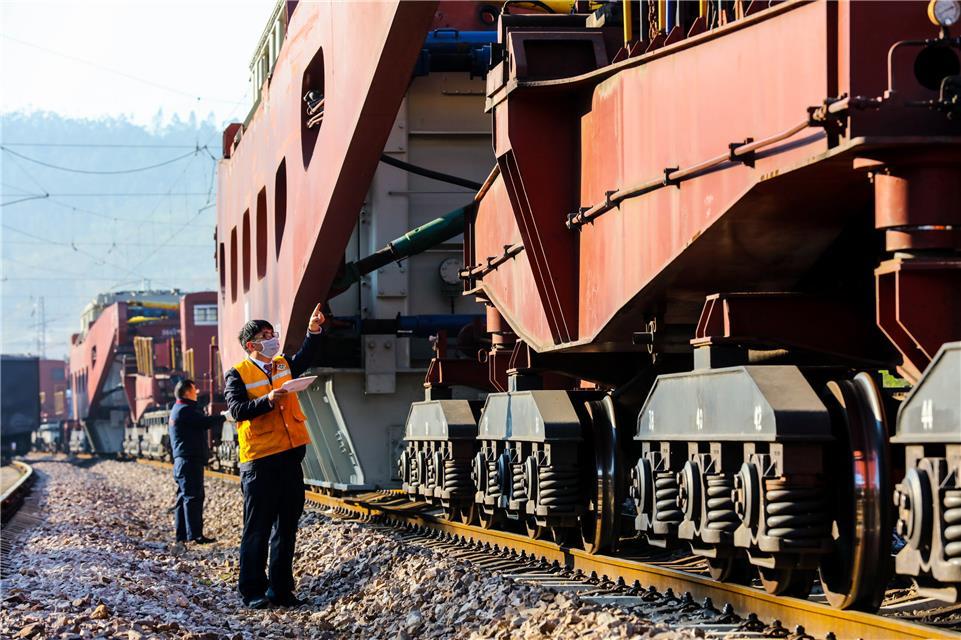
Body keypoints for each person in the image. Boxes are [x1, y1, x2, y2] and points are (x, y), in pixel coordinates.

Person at [224, 304, 326, 609]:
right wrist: (267, 401)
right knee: (257, 528)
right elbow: (236, 410)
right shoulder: (237, 374)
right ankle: (252, 590)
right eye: (266, 336)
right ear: (251, 345)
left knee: (286, 526)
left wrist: (314, 330)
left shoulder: (282, 365)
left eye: (272, 334)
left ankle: (281, 590)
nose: (272, 339)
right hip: (259, 460)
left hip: (290, 456)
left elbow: (305, 358)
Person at [168, 378, 226, 545]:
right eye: (194, 390)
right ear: (187, 392)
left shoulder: (177, 409)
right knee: (193, 497)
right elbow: (204, 422)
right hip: (189, 460)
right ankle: (195, 536)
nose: (197, 392)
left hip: (182, 461)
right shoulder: (186, 410)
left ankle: (182, 536)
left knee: (183, 498)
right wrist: (224, 417)